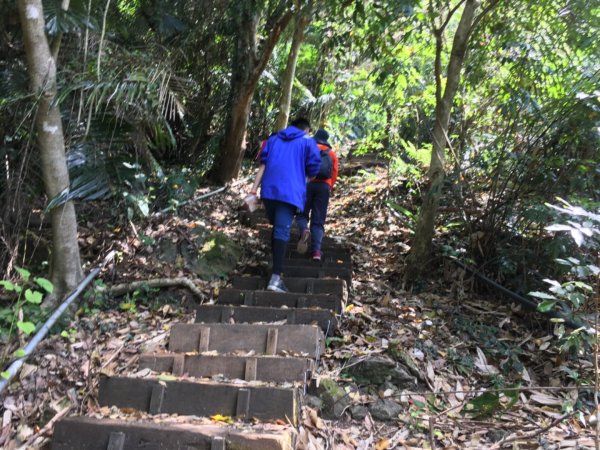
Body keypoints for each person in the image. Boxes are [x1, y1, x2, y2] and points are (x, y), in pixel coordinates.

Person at [248, 117, 321, 292]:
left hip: (269, 191)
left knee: (277, 229)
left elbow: (263, 165)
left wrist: (253, 190)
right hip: (289, 193)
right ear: (306, 130)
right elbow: (314, 169)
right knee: (281, 230)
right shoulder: (307, 141)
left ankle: (275, 269)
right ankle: (275, 278)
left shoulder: (273, 139)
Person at [296, 128, 338, 261]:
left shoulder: (308, 149)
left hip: (307, 183)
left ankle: (304, 230)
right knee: (318, 220)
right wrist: (329, 186)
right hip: (323, 187)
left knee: (302, 213)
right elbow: (334, 173)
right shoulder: (331, 154)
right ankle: (316, 252)